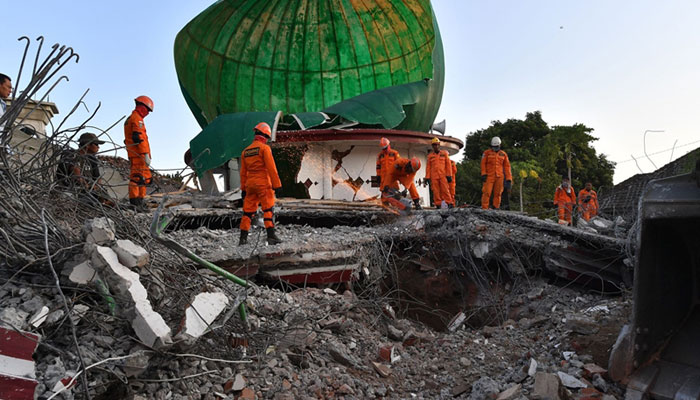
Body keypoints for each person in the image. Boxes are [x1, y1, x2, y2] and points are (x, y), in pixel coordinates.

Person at [239, 122, 282, 246]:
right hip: (263, 183)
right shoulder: (264, 149)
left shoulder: (245, 151)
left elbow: (243, 172)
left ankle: (243, 239)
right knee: (268, 209)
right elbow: (271, 168)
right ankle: (271, 236)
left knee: (247, 212)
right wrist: (277, 185)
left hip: (250, 184)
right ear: (265, 136)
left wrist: (243, 188)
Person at [56, 133, 112, 205]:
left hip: (88, 191)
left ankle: (104, 203)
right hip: (70, 190)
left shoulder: (92, 159)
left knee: (104, 196)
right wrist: (86, 187)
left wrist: (96, 188)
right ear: (88, 145)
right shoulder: (71, 154)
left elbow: (98, 179)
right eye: (96, 144)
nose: (98, 147)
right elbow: (76, 172)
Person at [124, 95, 154, 211]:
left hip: (136, 154)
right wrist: (145, 154)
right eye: (148, 110)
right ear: (143, 107)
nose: (148, 113)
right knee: (137, 179)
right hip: (138, 155)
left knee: (144, 178)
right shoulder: (137, 119)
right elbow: (139, 137)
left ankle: (140, 202)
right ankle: (135, 204)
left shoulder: (131, 118)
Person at [480, 136, 512, 210]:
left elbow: (507, 167)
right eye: (494, 147)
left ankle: (496, 207)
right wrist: (483, 174)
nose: (495, 148)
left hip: (500, 177)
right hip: (489, 176)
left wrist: (509, 179)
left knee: (498, 193)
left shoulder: (503, 154)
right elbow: (483, 164)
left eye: (496, 146)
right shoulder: (486, 153)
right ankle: (484, 208)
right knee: (486, 192)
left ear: (500, 145)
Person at [425, 137, 453, 208]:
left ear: (439, 145)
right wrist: (427, 177)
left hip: (443, 175)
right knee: (435, 191)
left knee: (445, 189)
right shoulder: (430, 156)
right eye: (434, 145)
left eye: (437, 144)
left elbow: (448, 165)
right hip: (434, 176)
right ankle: (438, 204)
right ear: (432, 146)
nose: (436, 146)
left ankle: (449, 203)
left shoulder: (444, 154)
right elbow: (428, 167)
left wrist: (449, 175)